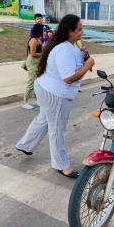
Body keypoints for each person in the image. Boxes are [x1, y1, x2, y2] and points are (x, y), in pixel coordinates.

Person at [15, 14, 94, 178]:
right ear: (70, 31)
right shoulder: (64, 49)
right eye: (79, 29)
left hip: (45, 88)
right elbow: (69, 78)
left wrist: (82, 55)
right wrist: (87, 65)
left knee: (44, 119)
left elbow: (71, 62)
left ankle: (25, 144)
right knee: (57, 128)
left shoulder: (68, 45)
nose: (82, 32)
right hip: (55, 94)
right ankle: (61, 165)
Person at [22, 23, 43, 110]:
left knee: (36, 82)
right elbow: (33, 53)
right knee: (31, 83)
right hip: (32, 63)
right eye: (43, 30)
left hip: (36, 63)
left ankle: (34, 100)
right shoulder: (33, 40)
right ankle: (25, 102)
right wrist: (43, 54)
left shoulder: (38, 39)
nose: (44, 31)